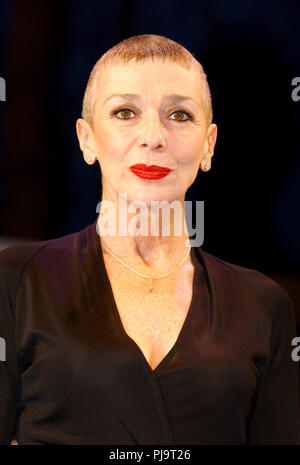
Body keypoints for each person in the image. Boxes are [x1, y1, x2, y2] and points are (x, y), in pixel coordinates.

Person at [1, 34, 300, 445]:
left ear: (209, 145)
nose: (153, 137)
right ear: (87, 139)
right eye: (125, 112)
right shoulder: (15, 282)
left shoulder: (262, 305)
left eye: (179, 115)